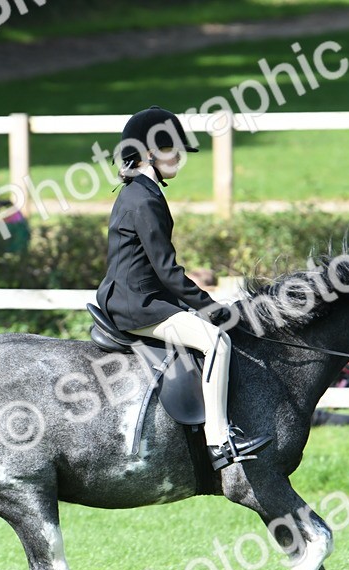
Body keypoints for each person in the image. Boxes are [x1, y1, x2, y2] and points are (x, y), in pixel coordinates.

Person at [96, 106, 272, 471]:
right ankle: (220, 440)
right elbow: (167, 271)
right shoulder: (143, 199)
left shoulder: (139, 192)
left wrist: (198, 305)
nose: (178, 157)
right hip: (138, 305)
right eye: (171, 149)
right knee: (216, 341)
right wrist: (212, 309)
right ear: (147, 153)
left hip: (138, 298)